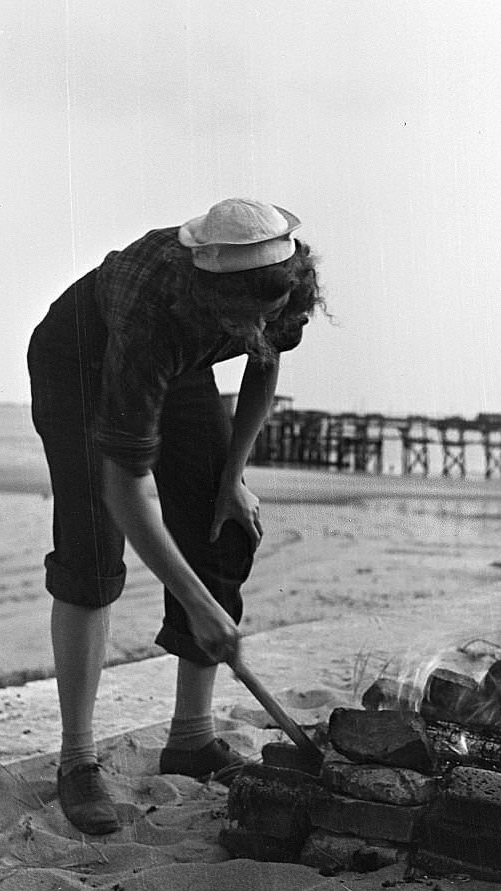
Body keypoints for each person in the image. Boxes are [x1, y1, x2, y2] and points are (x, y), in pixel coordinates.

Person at [27, 198, 324, 835]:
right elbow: (125, 491)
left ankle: (191, 739)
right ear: (214, 297)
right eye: (249, 317)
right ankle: (77, 761)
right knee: (91, 551)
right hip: (80, 357)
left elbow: (263, 363)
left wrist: (231, 478)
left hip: (182, 365)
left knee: (224, 528)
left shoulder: (283, 280)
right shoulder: (155, 313)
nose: (262, 327)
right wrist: (197, 604)